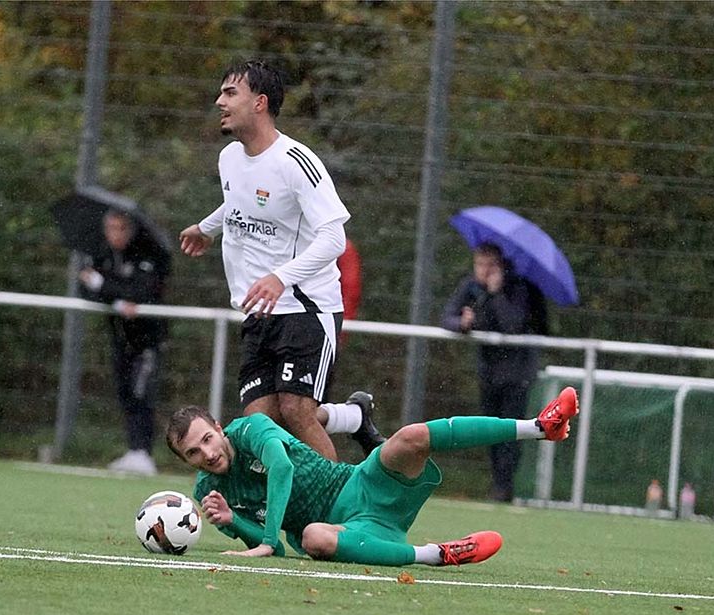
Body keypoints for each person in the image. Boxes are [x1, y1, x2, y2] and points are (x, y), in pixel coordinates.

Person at [179, 59, 382, 460]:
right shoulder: (230, 158)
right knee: (260, 424)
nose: (219, 101)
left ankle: (338, 511)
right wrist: (207, 227)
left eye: (230, 93)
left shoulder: (296, 162)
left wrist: (281, 277)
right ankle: (350, 420)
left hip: (306, 306)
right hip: (259, 312)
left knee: (296, 409)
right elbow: (241, 204)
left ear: (260, 103)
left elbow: (333, 237)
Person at [165, 386, 578, 566]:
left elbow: (282, 467)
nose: (207, 453)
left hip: (358, 482)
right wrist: (233, 523)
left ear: (218, 427)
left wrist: (270, 541)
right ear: (186, 461)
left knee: (411, 437)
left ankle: (539, 427)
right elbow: (273, 549)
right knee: (313, 538)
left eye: (207, 439)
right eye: (193, 453)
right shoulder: (208, 492)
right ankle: (438, 554)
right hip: (347, 528)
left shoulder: (251, 427)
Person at [440, 242, 548, 502]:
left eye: (490, 265)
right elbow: (447, 318)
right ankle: (498, 483)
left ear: (500, 266)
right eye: (479, 264)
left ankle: (504, 486)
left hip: (516, 373)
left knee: (511, 430)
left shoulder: (519, 288)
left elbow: (513, 325)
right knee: (490, 429)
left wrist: (497, 294)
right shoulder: (471, 288)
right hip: (488, 372)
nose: (484, 271)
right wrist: (462, 323)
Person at [79, 209, 170, 475]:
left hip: (147, 338)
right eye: (111, 228)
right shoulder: (102, 255)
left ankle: (144, 451)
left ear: (130, 229)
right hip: (121, 337)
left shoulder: (147, 254)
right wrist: (114, 297)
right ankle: (134, 450)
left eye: (121, 228)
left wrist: (102, 285)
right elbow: (85, 287)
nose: (115, 234)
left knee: (142, 392)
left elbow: (141, 291)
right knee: (125, 391)